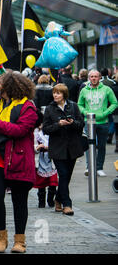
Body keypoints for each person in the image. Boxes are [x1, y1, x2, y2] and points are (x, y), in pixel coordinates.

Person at [0, 72, 38, 253]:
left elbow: (21, 130)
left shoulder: (27, 107)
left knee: (19, 201)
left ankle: (19, 241)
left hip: (18, 160)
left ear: (10, 87)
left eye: (1, 85)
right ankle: (1, 238)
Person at [43, 83, 84, 215]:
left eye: (58, 93)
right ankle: (67, 204)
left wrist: (72, 123)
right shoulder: (49, 109)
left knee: (67, 177)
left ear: (64, 94)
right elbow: (46, 129)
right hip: (57, 148)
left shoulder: (73, 106)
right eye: (54, 92)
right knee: (64, 174)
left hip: (72, 147)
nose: (55, 95)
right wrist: (58, 124)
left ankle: (58, 199)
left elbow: (81, 124)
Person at [77, 69, 117, 177]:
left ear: (100, 77)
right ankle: (89, 167)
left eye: (96, 76)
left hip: (103, 121)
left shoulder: (107, 89)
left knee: (102, 145)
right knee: (89, 145)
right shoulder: (84, 90)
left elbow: (114, 103)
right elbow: (79, 104)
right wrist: (85, 112)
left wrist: (105, 113)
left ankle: (99, 167)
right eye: (92, 76)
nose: (94, 78)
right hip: (89, 121)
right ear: (89, 78)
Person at [33, 122, 58, 209]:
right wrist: (38, 147)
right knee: (41, 183)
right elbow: (33, 147)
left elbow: (58, 145)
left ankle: (51, 200)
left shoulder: (52, 133)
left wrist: (50, 147)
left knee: (53, 182)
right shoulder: (36, 134)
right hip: (41, 160)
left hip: (52, 160)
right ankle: (41, 201)